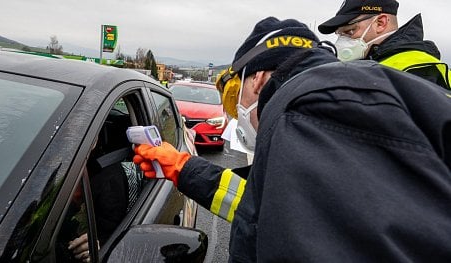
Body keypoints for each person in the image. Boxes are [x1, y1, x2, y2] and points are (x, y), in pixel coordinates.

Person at [134, 16, 451, 262]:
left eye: (234, 98)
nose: (237, 114)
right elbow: (273, 208)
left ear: (257, 78)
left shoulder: (311, 110)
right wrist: (185, 169)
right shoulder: (352, 97)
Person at [318, 0, 450, 89]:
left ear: (380, 23)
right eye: (340, 35)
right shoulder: (370, 64)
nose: (342, 42)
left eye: (350, 31)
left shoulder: (418, 70)